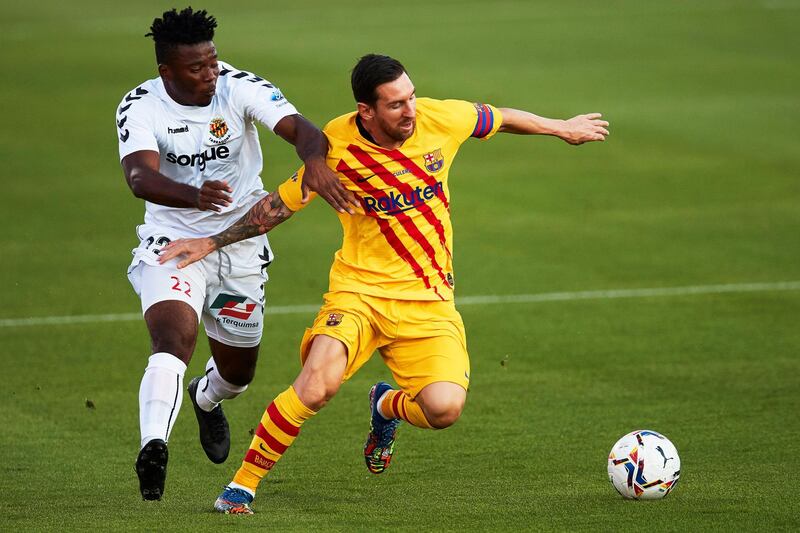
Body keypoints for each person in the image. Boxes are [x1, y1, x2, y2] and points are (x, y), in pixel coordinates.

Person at [158, 53, 609, 514]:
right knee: (316, 386)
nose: (410, 111)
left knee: (444, 409)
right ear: (366, 111)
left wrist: (561, 127)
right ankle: (242, 486)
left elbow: (502, 116)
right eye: (396, 105)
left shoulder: (440, 118)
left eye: (410, 98)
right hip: (359, 295)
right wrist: (212, 241)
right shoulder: (335, 145)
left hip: (428, 301)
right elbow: (279, 205)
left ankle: (385, 407)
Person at [116, 7, 355, 501]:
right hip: (174, 243)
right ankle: (153, 447)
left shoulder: (238, 85)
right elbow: (139, 177)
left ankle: (207, 399)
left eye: (213, 61)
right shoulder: (140, 106)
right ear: (167, 72)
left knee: (238, 374)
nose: (210, 74)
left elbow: (304, 130)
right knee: (172, 340)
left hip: (242, 243)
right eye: (197, 68)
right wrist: (194, 195)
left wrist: (314, 161)